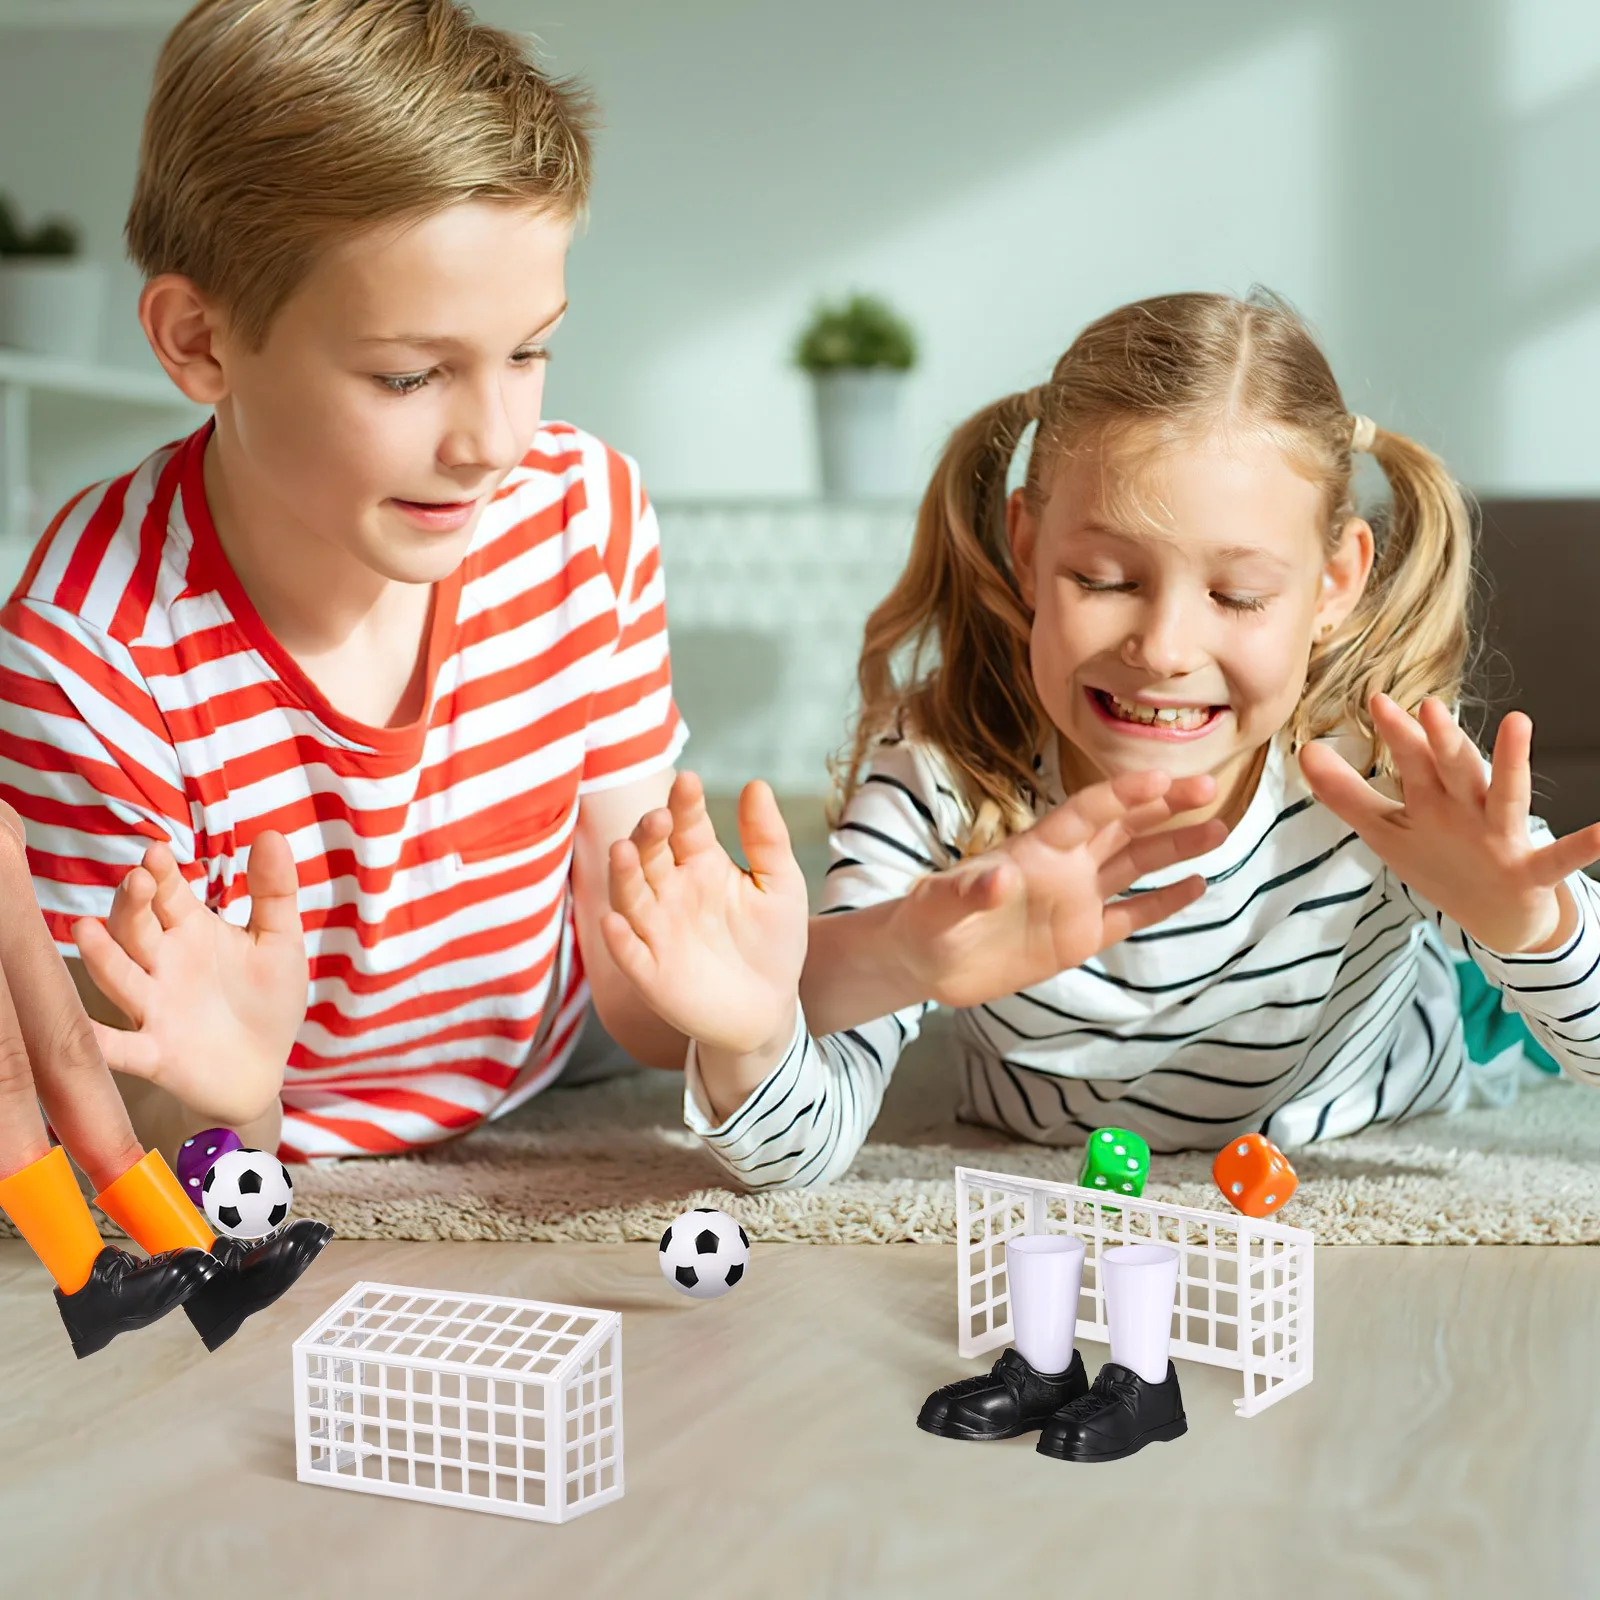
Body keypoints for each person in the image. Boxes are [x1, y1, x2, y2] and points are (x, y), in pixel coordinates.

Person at [604, 289, 1600, 1183]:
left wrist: (1528, 928)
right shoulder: (941, 774)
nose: (1163, 647)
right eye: (1105, 580)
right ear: (1028, 546)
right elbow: (803, 1149)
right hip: (1064, 1139)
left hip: (1399, 1063)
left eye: (1237, 594)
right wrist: (749, 1031)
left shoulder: (1380, 776)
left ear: (1334, 582)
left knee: (1500, 987)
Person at [0, 0, 688, 1166]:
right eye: (412, 376)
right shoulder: (86, 655)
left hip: (547, 1042)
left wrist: (904, 950)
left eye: (528, 352)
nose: (494, 441)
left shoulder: (583, 513)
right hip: (281, 1127)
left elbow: (652, 981)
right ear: (200, 343)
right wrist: (232, 1096)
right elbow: (130, 1133)